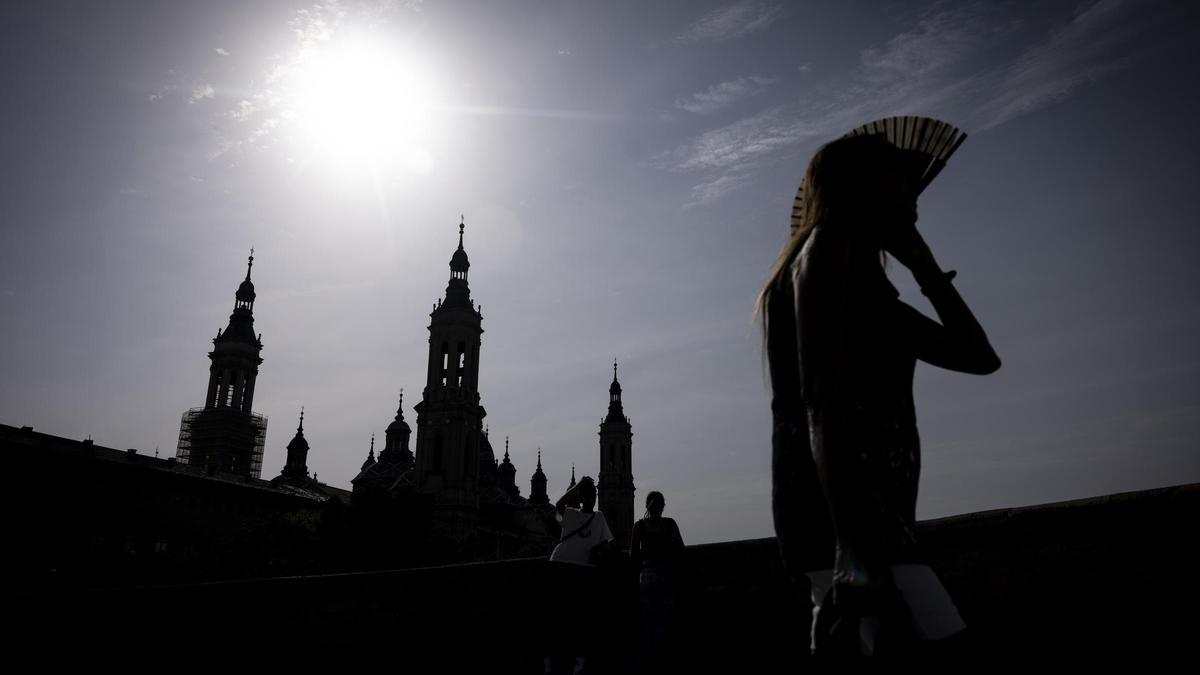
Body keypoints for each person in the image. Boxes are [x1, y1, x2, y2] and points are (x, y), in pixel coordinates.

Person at [757, 133, 1000, 654]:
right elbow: (819, 402)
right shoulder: (824, 249)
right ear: (863, 183)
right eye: (898, 171)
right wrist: (851, 545)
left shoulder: (871, 290)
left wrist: (924, 265)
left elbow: (980, 358)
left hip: (869, 518)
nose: (914, 185)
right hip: (848, 519)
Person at [547, 476, 613, 674]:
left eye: (594, 493)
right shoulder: (571, 514)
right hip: (560, 565)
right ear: (582, 497)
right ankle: (551, 659)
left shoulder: (599, 517)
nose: (593, 496)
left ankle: (577, 660)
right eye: (589, 494)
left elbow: (606, 545)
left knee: (580, 618)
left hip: (582, 570)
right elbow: (556, 508)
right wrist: (577, 486)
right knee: (558, 617)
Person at [630, 491, 684, 673]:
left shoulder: (639, 526)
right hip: (667, 575)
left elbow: (633, 555)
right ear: (663, 506)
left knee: (646, 622)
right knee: (665, 621)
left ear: (646, 506)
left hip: (647, 575)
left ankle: (646, 663)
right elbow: (681, 550)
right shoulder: (670, 524)